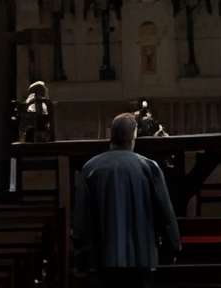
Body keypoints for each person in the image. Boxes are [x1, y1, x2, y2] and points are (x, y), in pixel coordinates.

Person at [71, 111, 182, 285]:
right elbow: (166, 214)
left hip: (102, 261)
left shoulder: (90, 168)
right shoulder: (149, 167)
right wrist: (173, 247)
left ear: (111, 136)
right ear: (133, 137)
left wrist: (80, 256)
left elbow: (80, 220)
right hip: (142, 258)